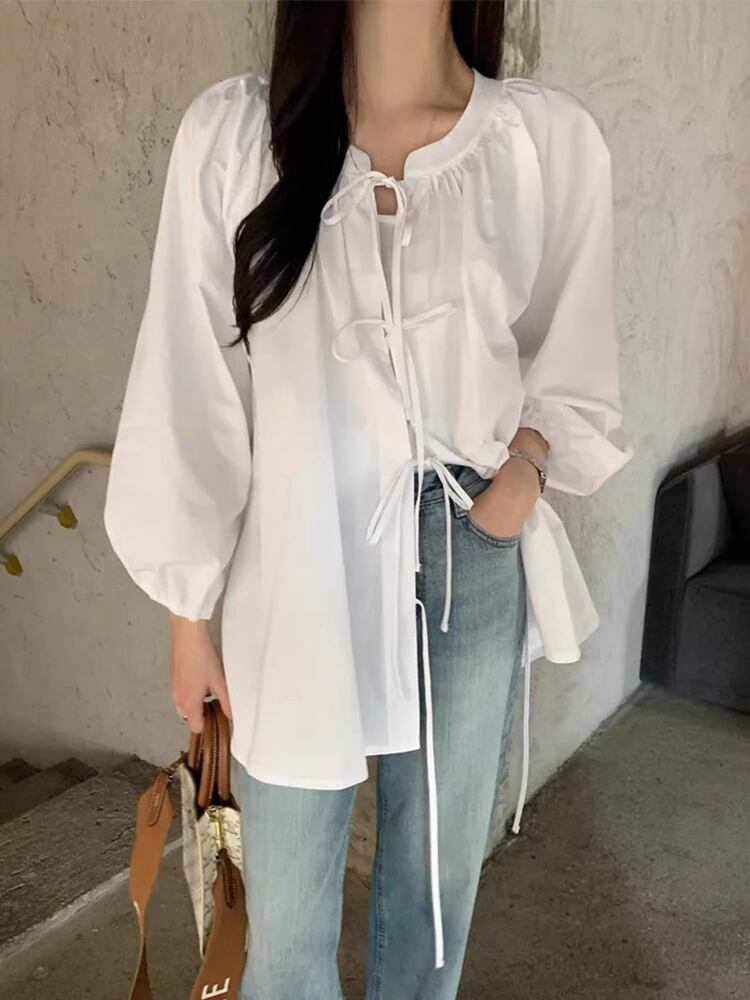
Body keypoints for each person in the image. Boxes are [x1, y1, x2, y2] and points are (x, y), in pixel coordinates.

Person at [103, 1, 632, 997]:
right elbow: (191, 384)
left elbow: (575, 357)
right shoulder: (235, 139)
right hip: (295, 565)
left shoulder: (542, 143)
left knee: (434, 898)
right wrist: (187, 612)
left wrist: (521, 474)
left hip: (471, 549)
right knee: (287, 923)